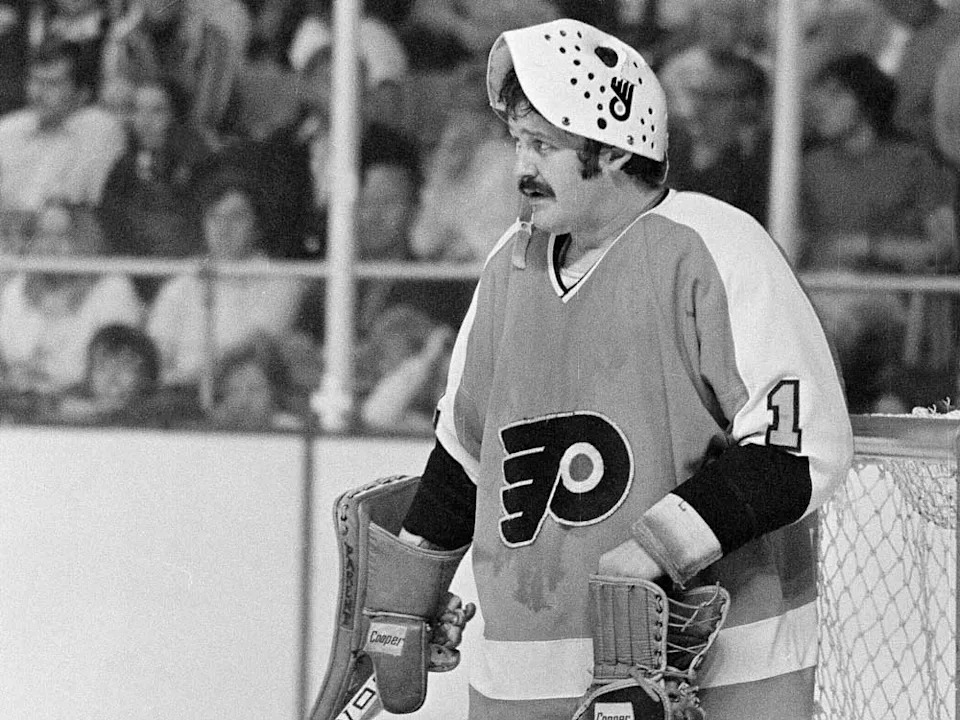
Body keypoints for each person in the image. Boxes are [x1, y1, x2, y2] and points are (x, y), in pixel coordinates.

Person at [389, 19, 853, 720]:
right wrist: (411, 581)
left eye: (543, 145)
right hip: (522, 672)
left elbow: (799, 448)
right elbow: (466, 455)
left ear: (610, 151)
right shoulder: (506, 267)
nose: (522, 167)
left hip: (714, 667)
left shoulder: (714, 247)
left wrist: (661, 546)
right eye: (517, 141)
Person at [146, 170, 304, 386]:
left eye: (237, 217)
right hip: (177, 393)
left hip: (239, 392)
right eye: (214, 217)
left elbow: (255, 347)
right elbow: (156, 348)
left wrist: (198, 380)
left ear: (258, 226)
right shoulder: (182, 280)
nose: (223, 228)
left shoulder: (282, 281)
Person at [0, 202, 143, 397]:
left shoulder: (112, 289)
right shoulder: (16, 289)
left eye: (62, 237)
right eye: (42, 236)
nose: (50, 247)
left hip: (87, 404)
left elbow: (117, 369)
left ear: (85, 240)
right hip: (20, 402)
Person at [99, 76, 212, 300]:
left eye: (157, 111)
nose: (144, 121)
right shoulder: (124, 166)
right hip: (135, 278)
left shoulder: (199, 163)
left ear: (175, 115)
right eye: (137, 110)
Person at [0, 38, 126, 213]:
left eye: (52, 84)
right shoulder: (7, 129)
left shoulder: (100, 129)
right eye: (35, 81)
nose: (37, 93)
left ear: (82, 93)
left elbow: (83, 204)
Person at [55, 323, 161, 425]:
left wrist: (101, 409)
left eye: (124, 368)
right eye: (102, 368)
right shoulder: (71, 398)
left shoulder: (159, 407)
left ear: (146, 376)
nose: (112, 378)